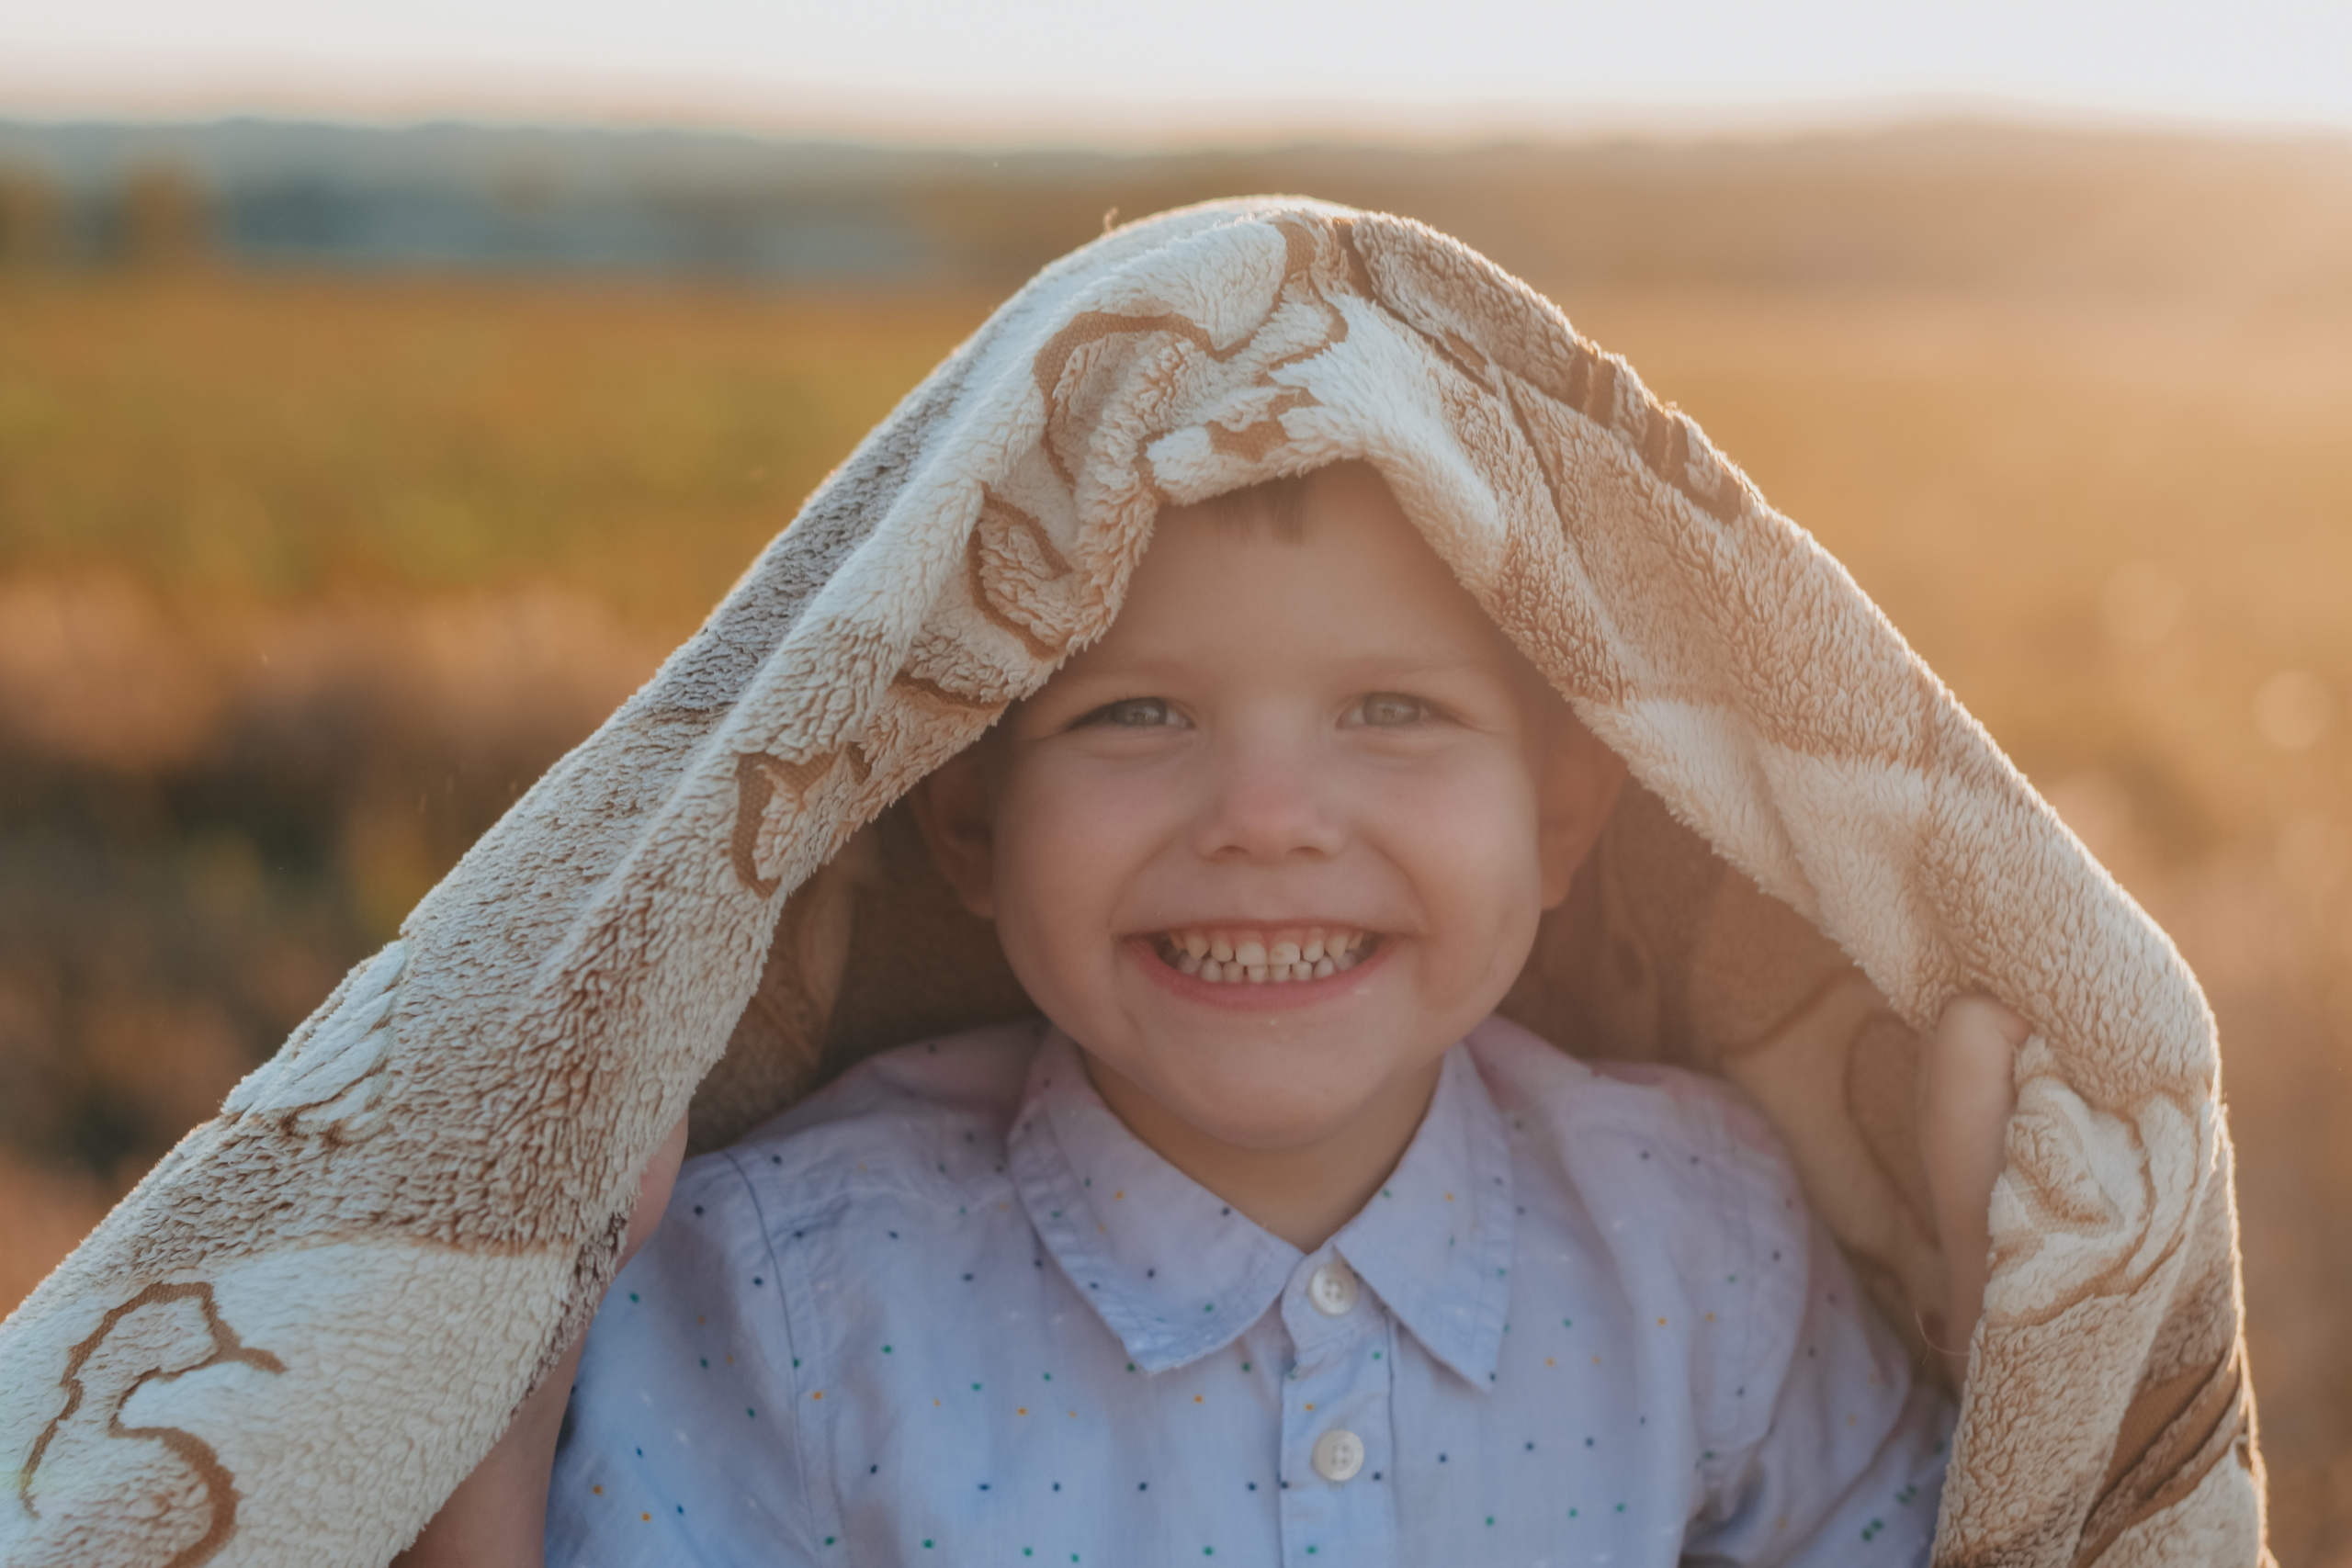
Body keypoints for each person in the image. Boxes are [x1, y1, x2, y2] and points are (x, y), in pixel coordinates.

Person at [395, 461, 2026, 1567]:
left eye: (1392, 711)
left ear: (1565, 820)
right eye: (1137, 712)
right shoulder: (788, 1291)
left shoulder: (1703, 1239)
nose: (1263, 814)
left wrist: (2013, 1300)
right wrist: (481, 1485)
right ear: (966, 825)